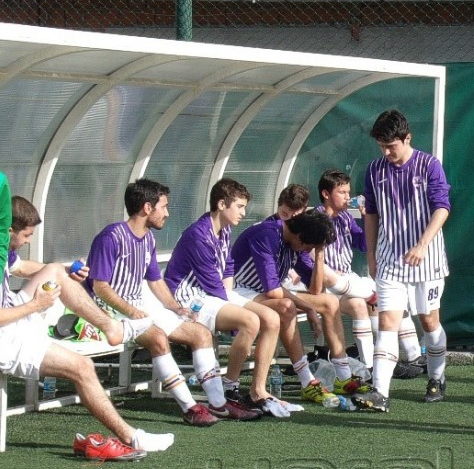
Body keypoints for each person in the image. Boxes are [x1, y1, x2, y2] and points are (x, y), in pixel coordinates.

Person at [3, 194, 173, 459]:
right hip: (5, 335)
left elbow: (20, 266)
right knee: (83, 368)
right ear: (9, 229)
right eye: (26, 235)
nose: (28, 241)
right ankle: (133, 437)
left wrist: (66, 268)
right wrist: (36, 305)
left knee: (55, 271)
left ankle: (112, 327)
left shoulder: (3, 245)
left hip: (14, 313)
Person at [85, 178, 261, 427]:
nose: (167, 213)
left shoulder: (147, 239)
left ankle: (219, 404)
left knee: (200, 333)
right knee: (157, 338)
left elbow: (156, 281)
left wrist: (175, 307)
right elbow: (99, 286)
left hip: (138, 308)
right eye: (164, 207)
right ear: (147, 208)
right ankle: (190, 408)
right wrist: (131, 310)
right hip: (109, 312)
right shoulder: (111, 237)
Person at [164, 178, 297, 418]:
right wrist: (237, 314)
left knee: (271, 318)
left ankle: (258, 390)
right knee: (250, 321)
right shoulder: (199, 234)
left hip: (211, 292)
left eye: (244, 207)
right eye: (239, 206)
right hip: (188, 297)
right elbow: (211, 284)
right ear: (222, 204)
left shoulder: (224, 229)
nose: (244, 213)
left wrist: (234, 301)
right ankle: (230, 388)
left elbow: (227, 268)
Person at [351, 110, 451, 412]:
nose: (386, 152)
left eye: (391, 145)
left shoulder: (430, 165)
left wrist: (422, 244)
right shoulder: (374, 170)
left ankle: (437, 376)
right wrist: (370, 254)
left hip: (427, 260)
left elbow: (442, 208)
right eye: (381, 146)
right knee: (387, 323)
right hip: (389, 259)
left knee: (429, 321)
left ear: (407, 139)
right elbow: (371, 214)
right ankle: (379, 392)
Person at [231, 209, 371, 404]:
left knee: (329, 302)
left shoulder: (297, 242)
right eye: (310, 247)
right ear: (300, 236)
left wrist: (320, 254)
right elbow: (272, 290)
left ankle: (344, 377)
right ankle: (307, 382)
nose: (307, 251)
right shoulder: (267, 235)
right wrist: (308, 308)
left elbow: (316, 289)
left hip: (263, 293)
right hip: (239, 292)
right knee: (286, 306)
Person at [316, 169, 425, 378]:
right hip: (324, 285)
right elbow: (307, 257)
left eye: (349, 192)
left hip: (346, 282)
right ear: (326, 194)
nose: (348, 197)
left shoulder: (345, 218)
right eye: (342, 192)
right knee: (365, 301)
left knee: (385, 300)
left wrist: (367, 219)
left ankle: (409, 356)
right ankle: (369, 365)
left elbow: (365, 244)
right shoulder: (316, 219)